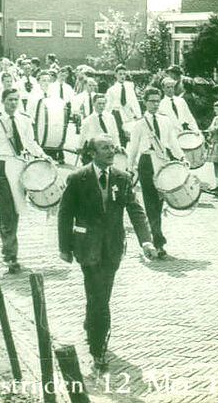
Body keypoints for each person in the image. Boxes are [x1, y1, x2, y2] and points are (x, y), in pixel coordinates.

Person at [58, 134, 158, 369]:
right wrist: (64, 247)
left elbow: (135, 210)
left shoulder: (122, 178)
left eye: (112, 147)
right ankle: (98, 348)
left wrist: (146, 241)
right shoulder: (77, 178)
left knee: (100, 294)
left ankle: (91, 325)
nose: (111, 151)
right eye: (105, 148)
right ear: (92, 153)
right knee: (99, 297)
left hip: (112, 248)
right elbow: (65, 214)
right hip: (86, 248)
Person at [0, 89, 48, 273]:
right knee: (7, 211)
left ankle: (9, 249)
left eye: (16, 100)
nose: (13, 103)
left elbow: (30, 142)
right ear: (3, 101)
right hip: (2, 167)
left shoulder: (25, 120)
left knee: (17, 209)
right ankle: (11, 254)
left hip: (19, 166)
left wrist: (43, 156)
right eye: (10, 100)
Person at [126, 87, 186, 257]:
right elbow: (133, 147)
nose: (154, 104)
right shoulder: (139, 123)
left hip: (162, 162)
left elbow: (172, 142)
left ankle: (154, 236)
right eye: (151, 101)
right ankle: (158, 242)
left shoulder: (165, 121)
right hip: (146, 163)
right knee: (151, 201)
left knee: (159, 202)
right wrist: (130, 168)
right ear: (145, 102)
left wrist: (181, 157)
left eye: (157, 101)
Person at [79, 94, 123, 164]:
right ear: (93, 104)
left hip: (108, 150)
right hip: (95, 152)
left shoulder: (110, 118)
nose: (101, 106)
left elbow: (115, 133)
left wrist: (117, 145)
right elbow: (82, 137)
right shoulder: (87, 120)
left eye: (103, 104)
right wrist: (80, 148)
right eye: (99, 103)